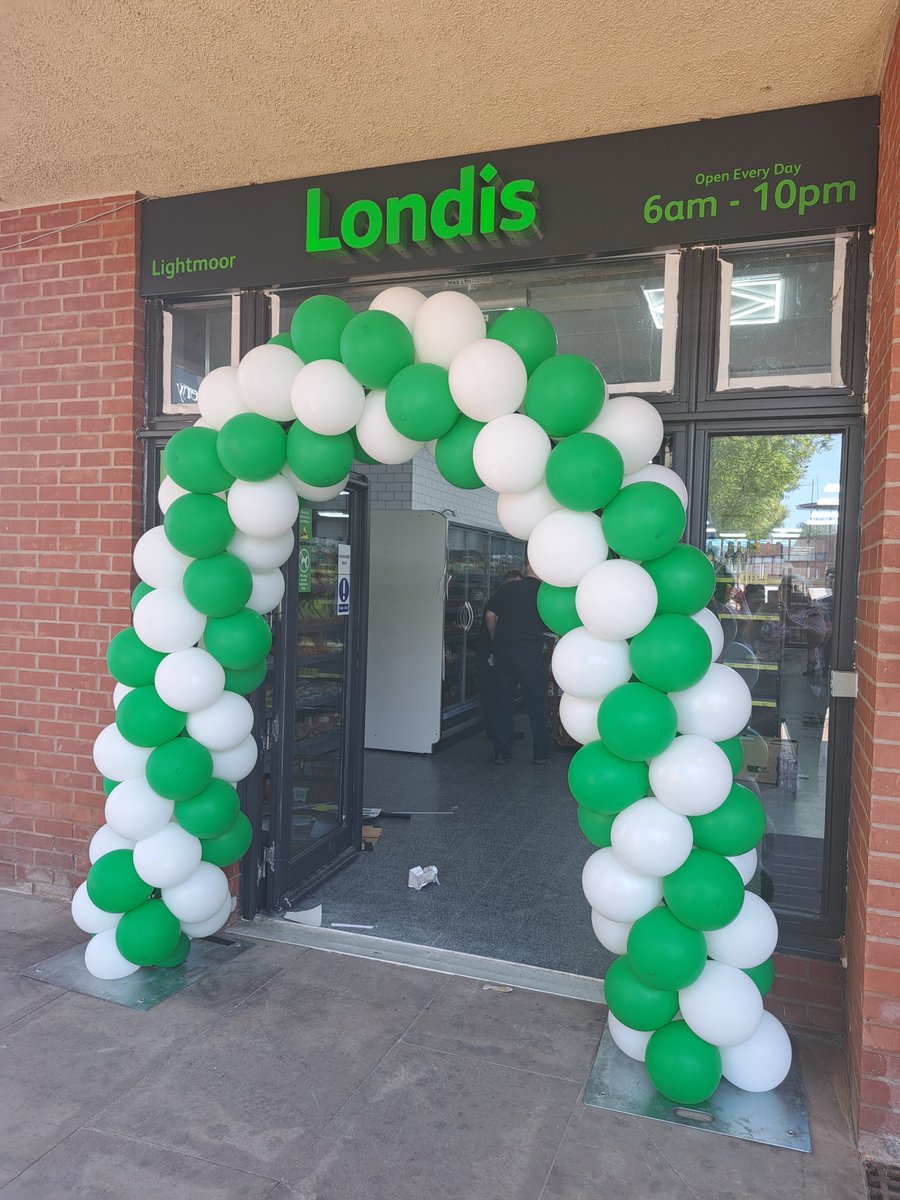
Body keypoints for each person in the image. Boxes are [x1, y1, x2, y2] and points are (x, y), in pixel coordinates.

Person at [485, 561, 552, 766]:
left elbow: (489, 615)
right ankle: (541, 752)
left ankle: (501, 752)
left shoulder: (509, 588)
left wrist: (496, 639)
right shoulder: (545, 594)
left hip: (504, 651)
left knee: (504, 700)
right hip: (529, 652)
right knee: (536, 701)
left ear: (525, 567)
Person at [475, 570, 523, 745]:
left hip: (498, 650)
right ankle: (494, 730)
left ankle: (503, 731)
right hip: (490, 650)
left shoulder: (503, 598)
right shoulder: (500, 599)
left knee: (501, 691)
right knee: (493, 691)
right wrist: (495, 639)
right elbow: (490, 617)